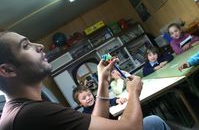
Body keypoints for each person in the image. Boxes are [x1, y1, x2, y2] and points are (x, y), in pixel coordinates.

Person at [0, 31, 170, 130]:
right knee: (152, 122)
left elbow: (92, 124)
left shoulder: (21, 110)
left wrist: (103, 80)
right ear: (7, 70)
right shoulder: (31, 114)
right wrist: (134, 92)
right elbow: (131, 128)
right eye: (25, 46)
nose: (39, 46)